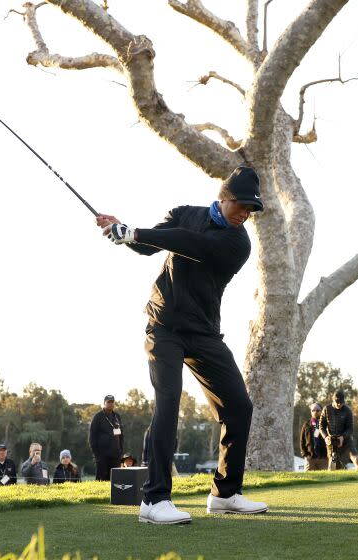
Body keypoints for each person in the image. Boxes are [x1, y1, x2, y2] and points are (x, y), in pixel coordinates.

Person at [97, 166, 268, 525]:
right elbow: (151, 244)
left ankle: (224, 494)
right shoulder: (183, 214)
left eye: (251, 210)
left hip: (204, 332)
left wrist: (134, 232)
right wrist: (123, 232)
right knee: (169, 401)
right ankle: (154, 500)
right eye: (241, 205)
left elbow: (195, 245)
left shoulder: (239, 243)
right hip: (164, 327)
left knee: (239, 406)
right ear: (224, 197)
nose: (245, 214)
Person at [319, 390, 358, 470]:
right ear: (333, 400)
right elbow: (321, 426)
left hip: (346, 439)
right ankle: (332, 480)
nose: (339, 404)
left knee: (356, 459)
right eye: (337, 402)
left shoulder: (348, 410)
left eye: (341, 402)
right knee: (333, 464)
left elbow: (350, 429)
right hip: (331, 440)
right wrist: (326, 437)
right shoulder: (326, 409)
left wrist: (343, 437)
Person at [89, 395, 124, 482]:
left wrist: (121, 450)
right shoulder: (98, 417)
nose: (111, 404)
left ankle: (114, 495)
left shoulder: (117, 416)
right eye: (108, 402)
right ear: (104, 403)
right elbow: (92, 437)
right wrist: (96, 454)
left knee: (115, 480)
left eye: (112, 402)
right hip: (102, 455)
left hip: (115, 455)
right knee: (102, 479)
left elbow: (121, 435)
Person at [299, 403, 328, 471]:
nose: (315, 412)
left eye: (317, 410)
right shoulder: (306, 424)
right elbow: (302, 441)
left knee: (325, 479)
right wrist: (305, 455)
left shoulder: (326, 424)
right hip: (310, 458)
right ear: (311, 412)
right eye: (313, 410)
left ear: (321, 411)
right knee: (308, 479)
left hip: (323, 458)